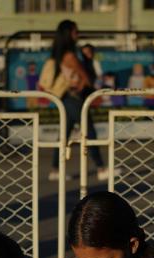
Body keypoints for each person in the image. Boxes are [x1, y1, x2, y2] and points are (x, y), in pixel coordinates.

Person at [46, 20, 108, 182]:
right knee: (89, 131)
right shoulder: (70, 55)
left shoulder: (59, 54)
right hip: (73, 98)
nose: (77, 35)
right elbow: (86, 78)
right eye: (75, 32)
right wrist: (86, 64)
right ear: (69, 34)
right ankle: (101, 168)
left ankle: (55, 170)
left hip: (67, 97)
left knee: (64, 134)